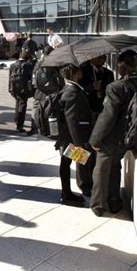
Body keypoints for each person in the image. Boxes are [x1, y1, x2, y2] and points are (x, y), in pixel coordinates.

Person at [89, 50, 137, 217]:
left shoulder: (115, 87)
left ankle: (98, 205)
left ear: (120, 67)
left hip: (115, 137)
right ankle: (114, 201)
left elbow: (108, 116)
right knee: (114, 166)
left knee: (102, 168)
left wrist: (95, 139)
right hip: (135, 137)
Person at [57, 64, 94, 205]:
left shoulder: (71, 88)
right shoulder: (72, 92)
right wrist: (79, 143)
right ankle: (66, 195)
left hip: (70, 136)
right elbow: (72, 119)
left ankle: (66, 194)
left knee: (66, 163)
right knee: (68, 163)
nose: (81, 73)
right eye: (79, 71)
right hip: (72, 137)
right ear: (74, 75)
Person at [8, 50, 36, 134]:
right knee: (23, 104)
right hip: (24, 88)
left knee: (18, 103)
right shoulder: (28, 65)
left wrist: (9, 88)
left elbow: (10, 78)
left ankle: (17, 121)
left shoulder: (13, 65)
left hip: (14, 88)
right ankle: (20, 125)